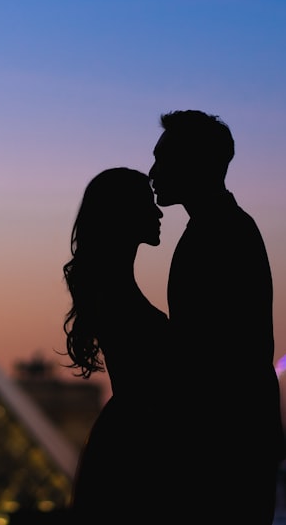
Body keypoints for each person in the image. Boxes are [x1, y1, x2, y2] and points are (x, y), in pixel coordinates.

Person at [149, 110, 284, 524]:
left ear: (193, 164)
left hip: (222, 440)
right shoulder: (226, 228)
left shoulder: (218, 234)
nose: (152, 174)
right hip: (236, 434)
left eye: (162, 160)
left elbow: (210, 352)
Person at [61, 167, 176, 523]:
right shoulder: (115, 293)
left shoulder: (107, 288)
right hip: (138, 445)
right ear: (124, 214)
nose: (158, 213)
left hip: (127, 437)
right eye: (147, 204)